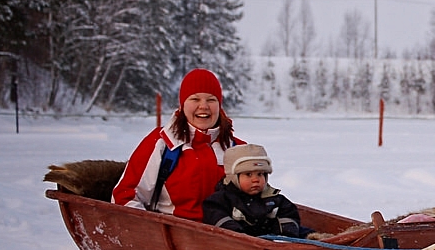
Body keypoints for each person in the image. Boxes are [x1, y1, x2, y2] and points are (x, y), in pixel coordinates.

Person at [112, 68, 244, 221]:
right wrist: (150, 233)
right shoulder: (162, 143)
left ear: (219, 106)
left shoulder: (236, 149)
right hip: (171, 235)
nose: (204, 106)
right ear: (182, 105)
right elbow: (125, 198)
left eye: (211, 100)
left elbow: (254, 197)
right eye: (195, 99)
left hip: (225, 236)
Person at [202, 143, 306, 238]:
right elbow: (219, 219)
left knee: (305, 232)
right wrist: (237, 235)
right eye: (248, 174)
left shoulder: (274, 199)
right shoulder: (221, 200)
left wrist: (284, 235)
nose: (256, 179)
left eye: (260, 174)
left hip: (272, 242)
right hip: (237, 245)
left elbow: (287, 216)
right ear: (233, 177)